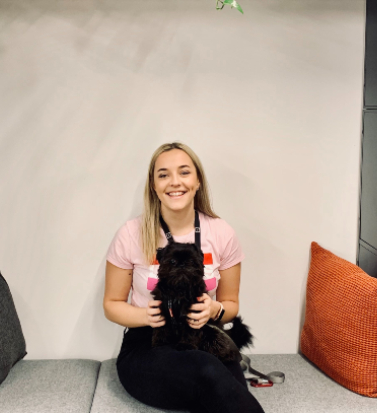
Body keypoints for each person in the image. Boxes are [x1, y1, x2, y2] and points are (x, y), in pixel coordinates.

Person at [103, 142, 265, 413]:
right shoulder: (131, 234)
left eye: (184, 172)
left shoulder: (222, 233)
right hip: (147, 344)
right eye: (163, 174)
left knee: (223, 384)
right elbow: (111, 304)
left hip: (202, 335)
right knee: (207, 371)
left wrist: (215, 309)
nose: (174, 182)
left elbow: (231, 305)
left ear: (198, 180)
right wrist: (146, 316)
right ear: (153, 185)